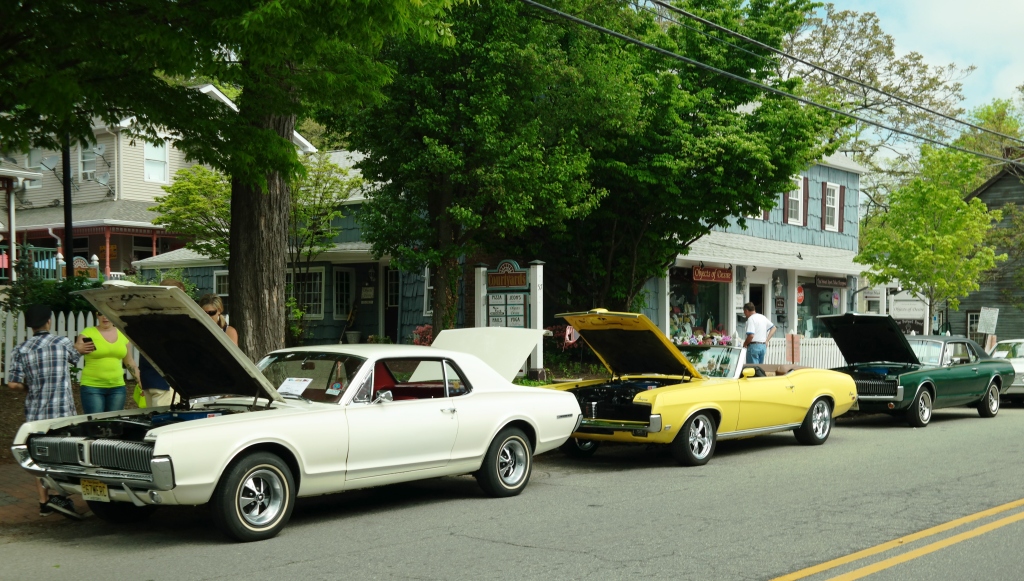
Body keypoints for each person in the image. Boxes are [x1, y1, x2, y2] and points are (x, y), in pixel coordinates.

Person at [7, 304, 94, 518]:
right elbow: (76, 356)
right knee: (62, 453)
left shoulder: (20, 349)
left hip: (36, 412)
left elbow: (13, 384)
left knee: (39, 455)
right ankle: (61, 495)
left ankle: (44, 502)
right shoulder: (61, 342)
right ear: (49, 321)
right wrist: (79, 348)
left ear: (30, 326)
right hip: (61, 411)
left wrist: (28, 388)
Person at [79, 310, 141, 414]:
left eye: (107, 314)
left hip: (117, 387)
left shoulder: (122, 334)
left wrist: (139, 380)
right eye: (101, 313)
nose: (104, 317)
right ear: (97, 316)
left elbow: (129, 361)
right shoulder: (88, 333)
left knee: (114, 421)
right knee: (96, 421)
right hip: (92, 387)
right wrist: (78, 348)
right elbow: (76, 351)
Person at [137, 278, 186, 407]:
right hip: (165, 383)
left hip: (149, 380)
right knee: (165, 418)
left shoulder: (146, 316)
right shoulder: (169, 320)